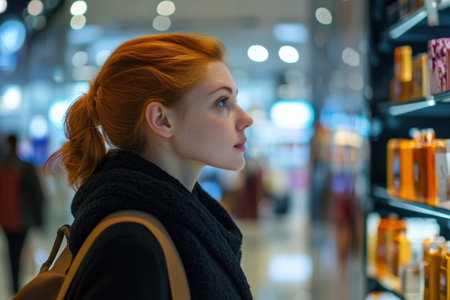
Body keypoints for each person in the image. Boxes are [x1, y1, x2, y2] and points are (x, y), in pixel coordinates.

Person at [44, 33, 254, 299]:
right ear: (162, 119)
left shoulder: (182, 220)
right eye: (222, 102)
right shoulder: (131, 250)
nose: (246, 118)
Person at [0, 134, 44, 294]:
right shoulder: (25, 166)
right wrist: (39, 218)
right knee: (18, 250)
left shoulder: (1, 164)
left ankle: (13, 286)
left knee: (11, 250)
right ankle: (17, 286)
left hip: (5, 217)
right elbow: (37, 193)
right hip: (22, 217)